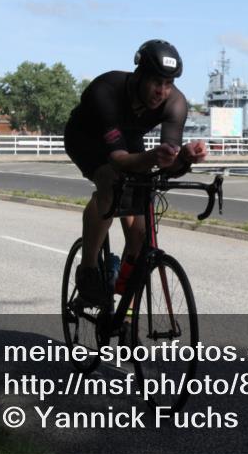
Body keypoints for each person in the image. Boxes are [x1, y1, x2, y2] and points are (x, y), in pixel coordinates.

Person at [64, 40, 208, 305]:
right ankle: (88, 271)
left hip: (129, 139)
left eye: (168, 84)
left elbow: (168, 167)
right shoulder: (105, 90)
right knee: (110, 180)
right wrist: (153, 156)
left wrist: (185, 157)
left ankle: (125, 309)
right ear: (139, 74)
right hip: (87, 137)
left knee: (140, 233)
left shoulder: (175, 103)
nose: (161, 91)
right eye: (156, 82)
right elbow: (118, 160)